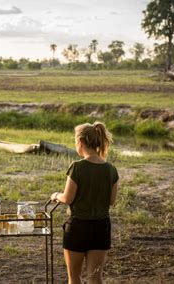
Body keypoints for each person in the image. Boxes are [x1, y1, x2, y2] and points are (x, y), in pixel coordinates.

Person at [51, 121, 119, 284]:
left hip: (78, 227)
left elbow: (67, 199)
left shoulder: (77, 167)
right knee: (95, 278)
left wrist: (55, 195)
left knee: (74, 278)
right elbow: (112, 201)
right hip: (101, 227)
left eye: (75, 142)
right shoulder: (111, 169)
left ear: (81, 142)